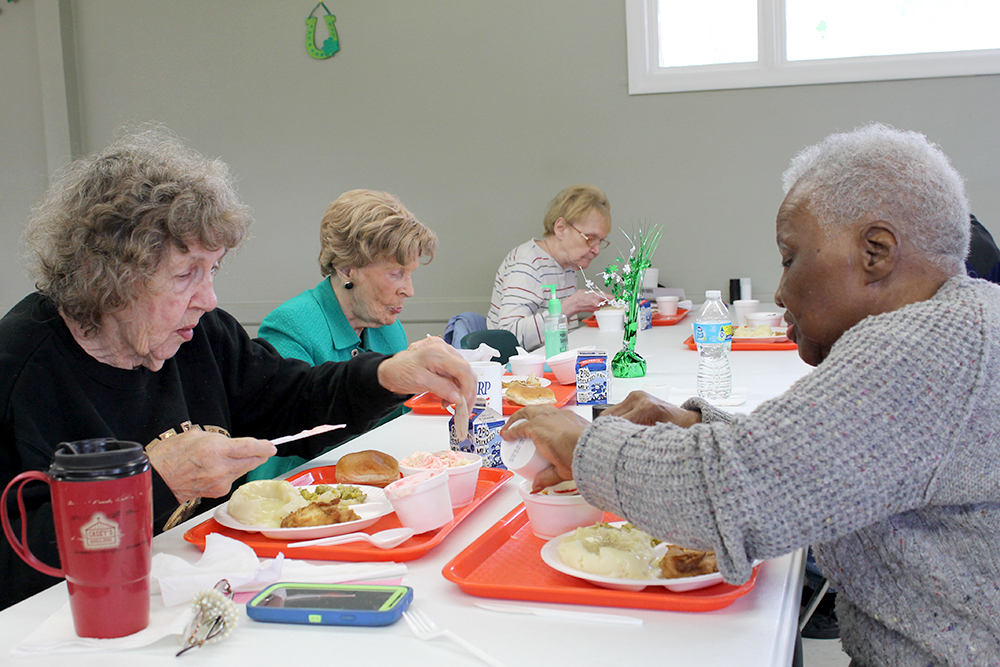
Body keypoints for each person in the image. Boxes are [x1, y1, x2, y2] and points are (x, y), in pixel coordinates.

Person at [503, 123, 1000, 665]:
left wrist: (582, 444)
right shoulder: (961, 320)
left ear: (876, 252)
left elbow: (737, 493)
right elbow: (813, 454)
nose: (782, 290)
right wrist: (693, 423)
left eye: (790, 259)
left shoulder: (924, 346)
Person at [0, 127, 475, 610]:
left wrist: (387, 374)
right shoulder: (19, 370)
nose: (209, 299)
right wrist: (148, 485)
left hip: (206, 601)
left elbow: (293, 398)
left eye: (214, 271)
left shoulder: (202, 334)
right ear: (110, 279)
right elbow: (14, 564)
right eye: (186, 274)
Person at [254, 189, 437, 479]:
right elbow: (295, 440)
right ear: (347, 268)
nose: (410, 290)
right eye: (397, 273)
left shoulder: (390, 329)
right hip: (297, 489)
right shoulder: (289, 326)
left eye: (410, 274)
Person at [486, 185, 612, 350]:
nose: (596, 249)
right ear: (560, 228)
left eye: (600, 241)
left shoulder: (566, 264)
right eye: (590, 238)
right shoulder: (527, 263)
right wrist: (570, 306)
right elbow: (508, 337)